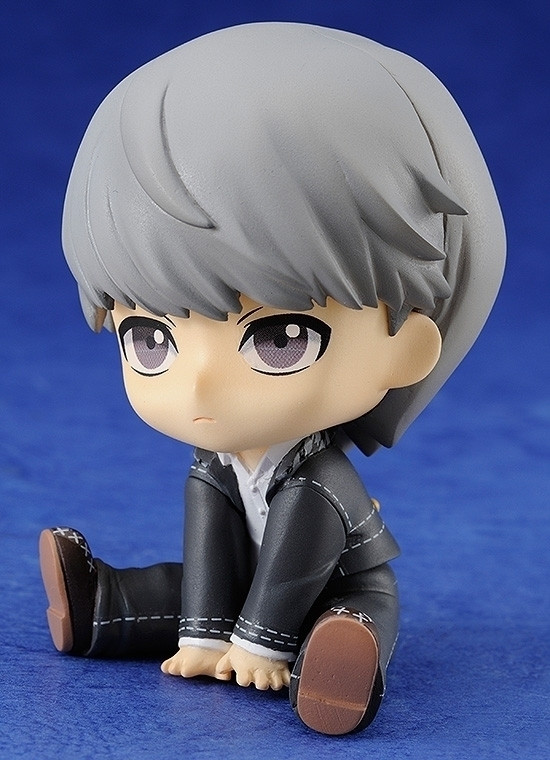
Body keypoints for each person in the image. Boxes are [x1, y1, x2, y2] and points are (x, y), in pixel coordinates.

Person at [39, 23, 505, 735]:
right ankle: (102, 603)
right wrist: (202, 637)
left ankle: (332, 668)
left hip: (338, 588)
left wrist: (258, 645)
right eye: (151, 339)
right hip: (246, 580)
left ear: (407, 348)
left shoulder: (319, 482)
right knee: (187, 586)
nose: (199, 388)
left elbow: (296, 560)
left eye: (279, 339)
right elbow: (210, 541)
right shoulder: (214, 461)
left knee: (348, 616)